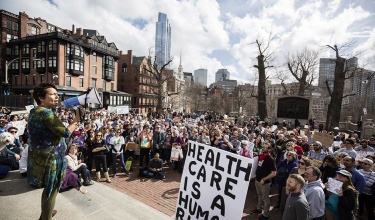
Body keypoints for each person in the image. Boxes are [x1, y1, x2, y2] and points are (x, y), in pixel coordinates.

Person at [27, 83, 80, 220]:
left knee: (49, 189)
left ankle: (46, 213)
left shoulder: (35, 111)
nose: (56, 97)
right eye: (52, 94)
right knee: (52, 189)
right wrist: (76, 120)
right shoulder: (46, 113)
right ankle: (46, 217)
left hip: (42, 156)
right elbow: (65, 133)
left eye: (57, 94)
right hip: (51, 158)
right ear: (41, 98)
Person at [251, 144, 277, 220]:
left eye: (265, 147)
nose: (263, 148)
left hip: (264, 182)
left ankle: (266, 214)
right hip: (257, 180)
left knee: (265, 198)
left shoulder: (270, 159)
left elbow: (274, 173)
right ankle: (259, 208)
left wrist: (264, 179)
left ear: (269, 150)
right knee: (259, 195)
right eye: (263, 147)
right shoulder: (261, 156)